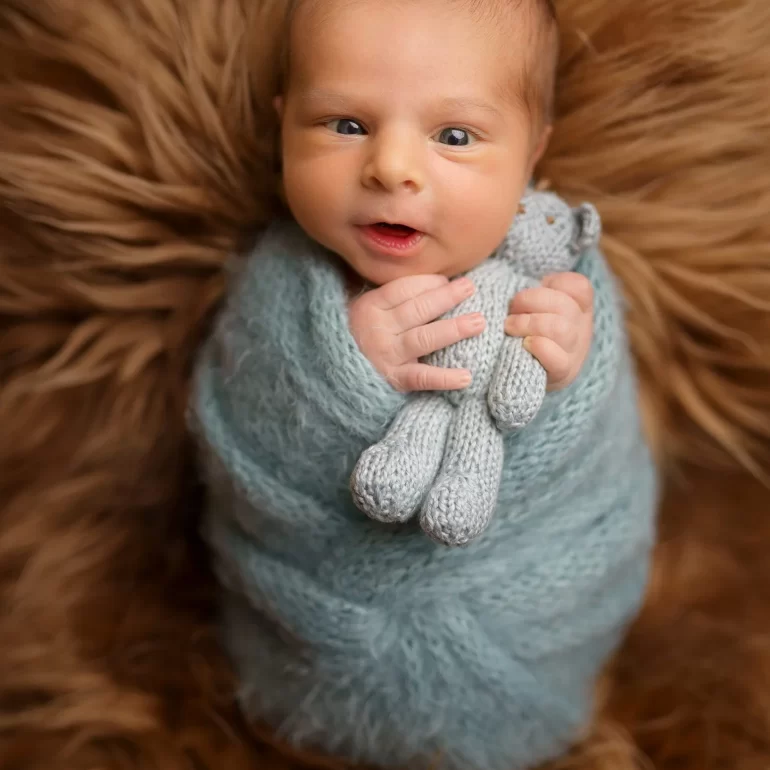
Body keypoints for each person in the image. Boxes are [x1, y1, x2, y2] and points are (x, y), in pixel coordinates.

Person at [188, 1, 658, 769]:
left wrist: (565, 370)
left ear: (531, 156)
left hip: (522, 641)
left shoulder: (561, 274)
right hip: (310, 636)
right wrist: (337, 369)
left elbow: (597, 463)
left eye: (454, 136)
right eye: (345, 124)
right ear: (282, 125)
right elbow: (236, 431)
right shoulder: (281, 283)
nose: (391, 167)